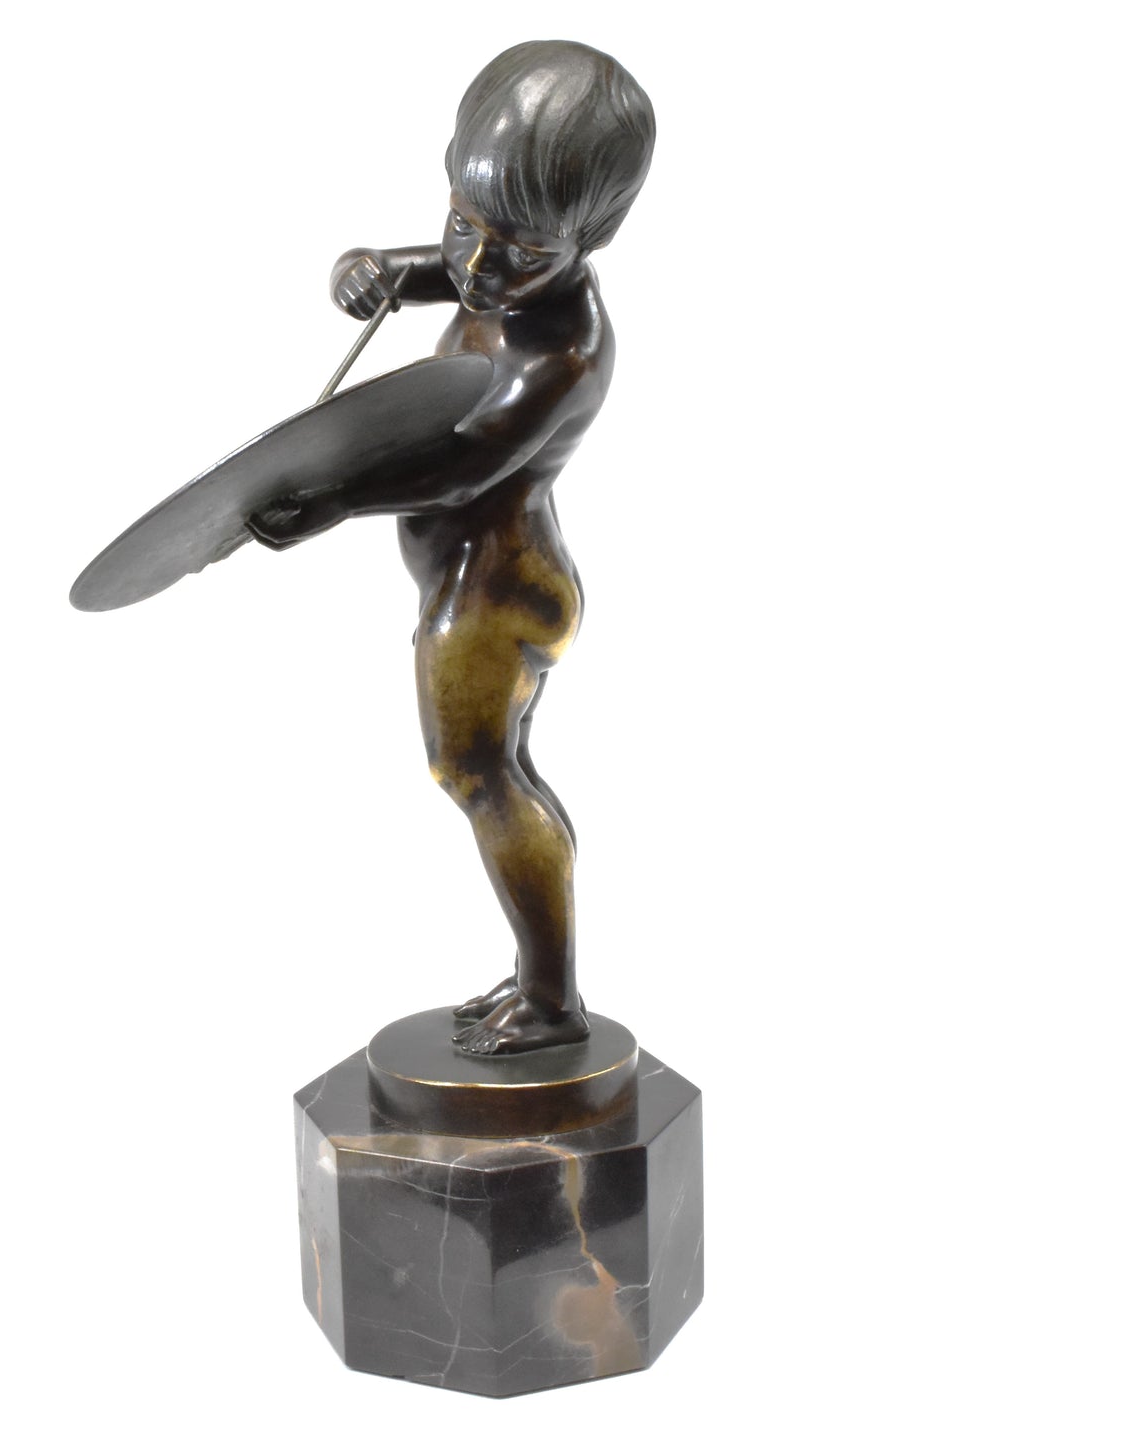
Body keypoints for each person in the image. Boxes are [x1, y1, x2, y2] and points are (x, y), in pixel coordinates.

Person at [247, 41, 655, 1054]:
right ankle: (540, 981)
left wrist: (335, 494)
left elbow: (463, 465)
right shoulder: (504, 277)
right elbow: (447, 275)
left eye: (517, 252)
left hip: (497, 590)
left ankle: (550, 1002)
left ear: (588, 240)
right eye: (462, 224)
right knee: (493, 774)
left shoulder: (564, 351)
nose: (476, 268)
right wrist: (379, 270)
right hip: (480, 581)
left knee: (477, 777)